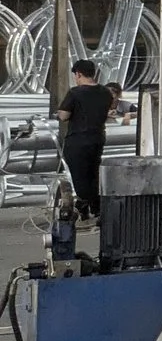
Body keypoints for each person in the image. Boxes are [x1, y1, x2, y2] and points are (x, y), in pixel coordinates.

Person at [56, 58, 112, 220]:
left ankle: (84, 204)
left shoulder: (75, 93)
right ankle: (96, 207)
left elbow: (64, 115)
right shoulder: (105, 92)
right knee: (93, 173)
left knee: (80, 176)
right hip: (97, 138)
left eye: (76, 75)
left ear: (79, 74)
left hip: (77, 140)